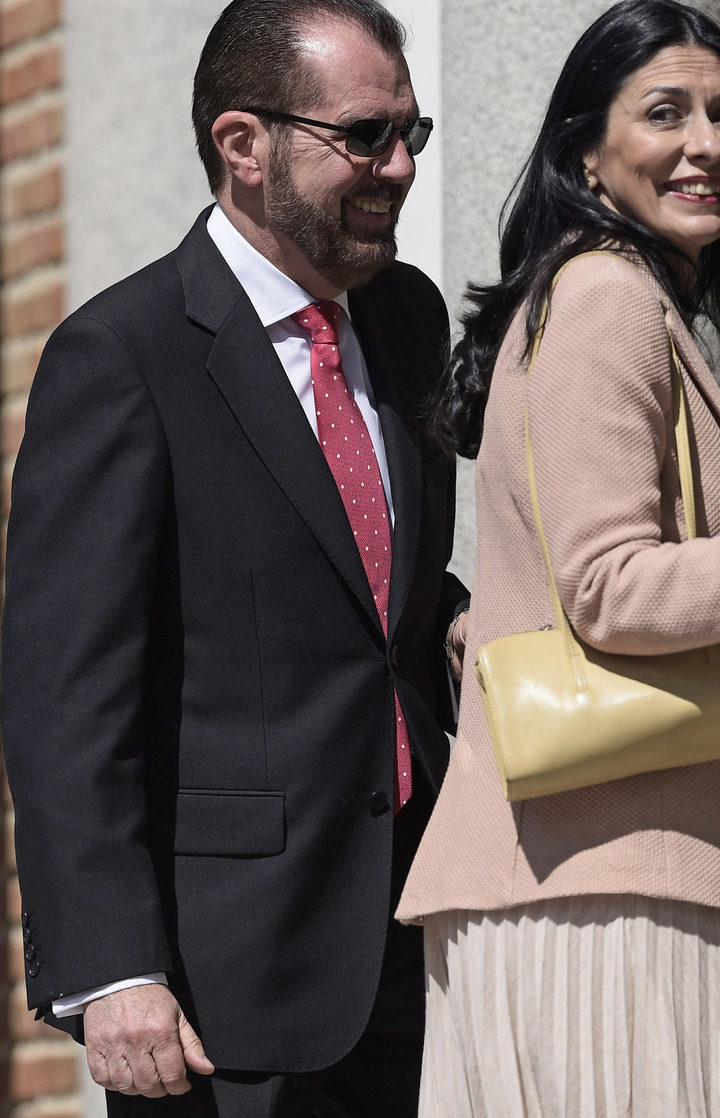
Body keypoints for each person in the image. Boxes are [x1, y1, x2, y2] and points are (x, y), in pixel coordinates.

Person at [395, 1, 720, 1114]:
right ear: (586, 150)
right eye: (665, 112)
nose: (704, 143)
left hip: (613, 870)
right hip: (604, 885)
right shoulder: (603, 296)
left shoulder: (626, 301)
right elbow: (605, 587)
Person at [1, 0, 468, 1114]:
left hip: (423, 932)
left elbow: (363, 595)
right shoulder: (122, 356)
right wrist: (114, 969)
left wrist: (456, 621)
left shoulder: (402, 320)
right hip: (227, 991)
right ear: (242, 145)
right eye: (364, 136)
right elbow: (68, 701)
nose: (398, 166)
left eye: (411, 132)